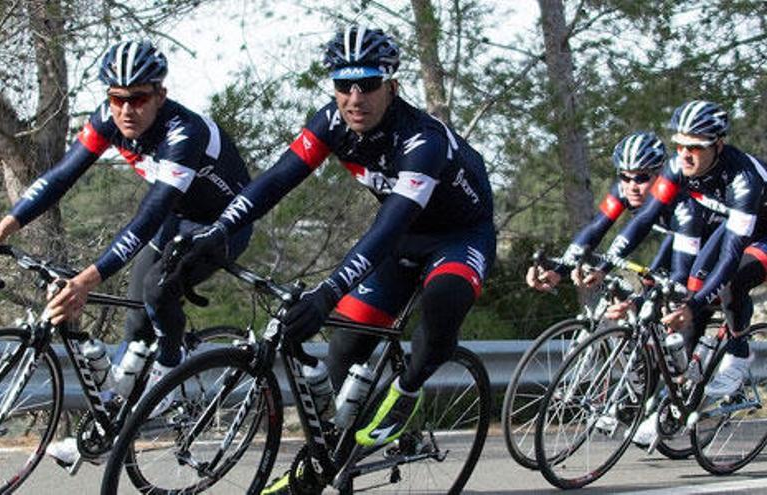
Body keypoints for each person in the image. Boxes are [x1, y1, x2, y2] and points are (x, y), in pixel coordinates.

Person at [170, 26, 495, 493]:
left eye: (368, 85)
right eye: (344, 85)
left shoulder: (422, 141)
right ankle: (326, 465)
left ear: (392, 87)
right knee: (345, 342)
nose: (355, 97)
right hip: (401, 237)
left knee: (442, 301)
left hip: (458, 235)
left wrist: (326, 293)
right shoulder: (332, 122)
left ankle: (406, 392)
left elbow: (388, 228)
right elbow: (276, 180)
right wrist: (219, 230)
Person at [0, 40, 252, 463]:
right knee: (134, 323)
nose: (126, 109)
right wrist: (2, 229)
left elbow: (146, 218)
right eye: (116, 99)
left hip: (220, 224)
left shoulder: (184, 133)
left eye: (138, 98)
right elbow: (59, 177)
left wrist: (85, 282)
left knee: (156, 288)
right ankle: (104, 433)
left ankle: (171, 370)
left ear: (160, 96)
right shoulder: (108, 120)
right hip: (175, 215)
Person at [599, 100, 767, 401]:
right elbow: (646, 219)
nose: (685, 154)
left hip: (762, 232)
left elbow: (730, 256)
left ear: (718, 144)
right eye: (679, 146)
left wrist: (693, 306)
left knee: (732, 280)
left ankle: (738, 354)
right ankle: (682, 396)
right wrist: (604, 265)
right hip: (733, 226)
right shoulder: (678, 167)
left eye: (695, 147)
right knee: (690, 291)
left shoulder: (744, 180)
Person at [526, 131, 701, 291]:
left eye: (641, 177)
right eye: (625, 176)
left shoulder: (683, 205)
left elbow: (638, 229)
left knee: (685, 298)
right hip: (674, 236)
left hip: (702, 237)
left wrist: (603, 268)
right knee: (650, 291)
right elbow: (595, 229)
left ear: (660, 174)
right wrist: (559, 270)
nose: (632, 186)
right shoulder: (624, 191)